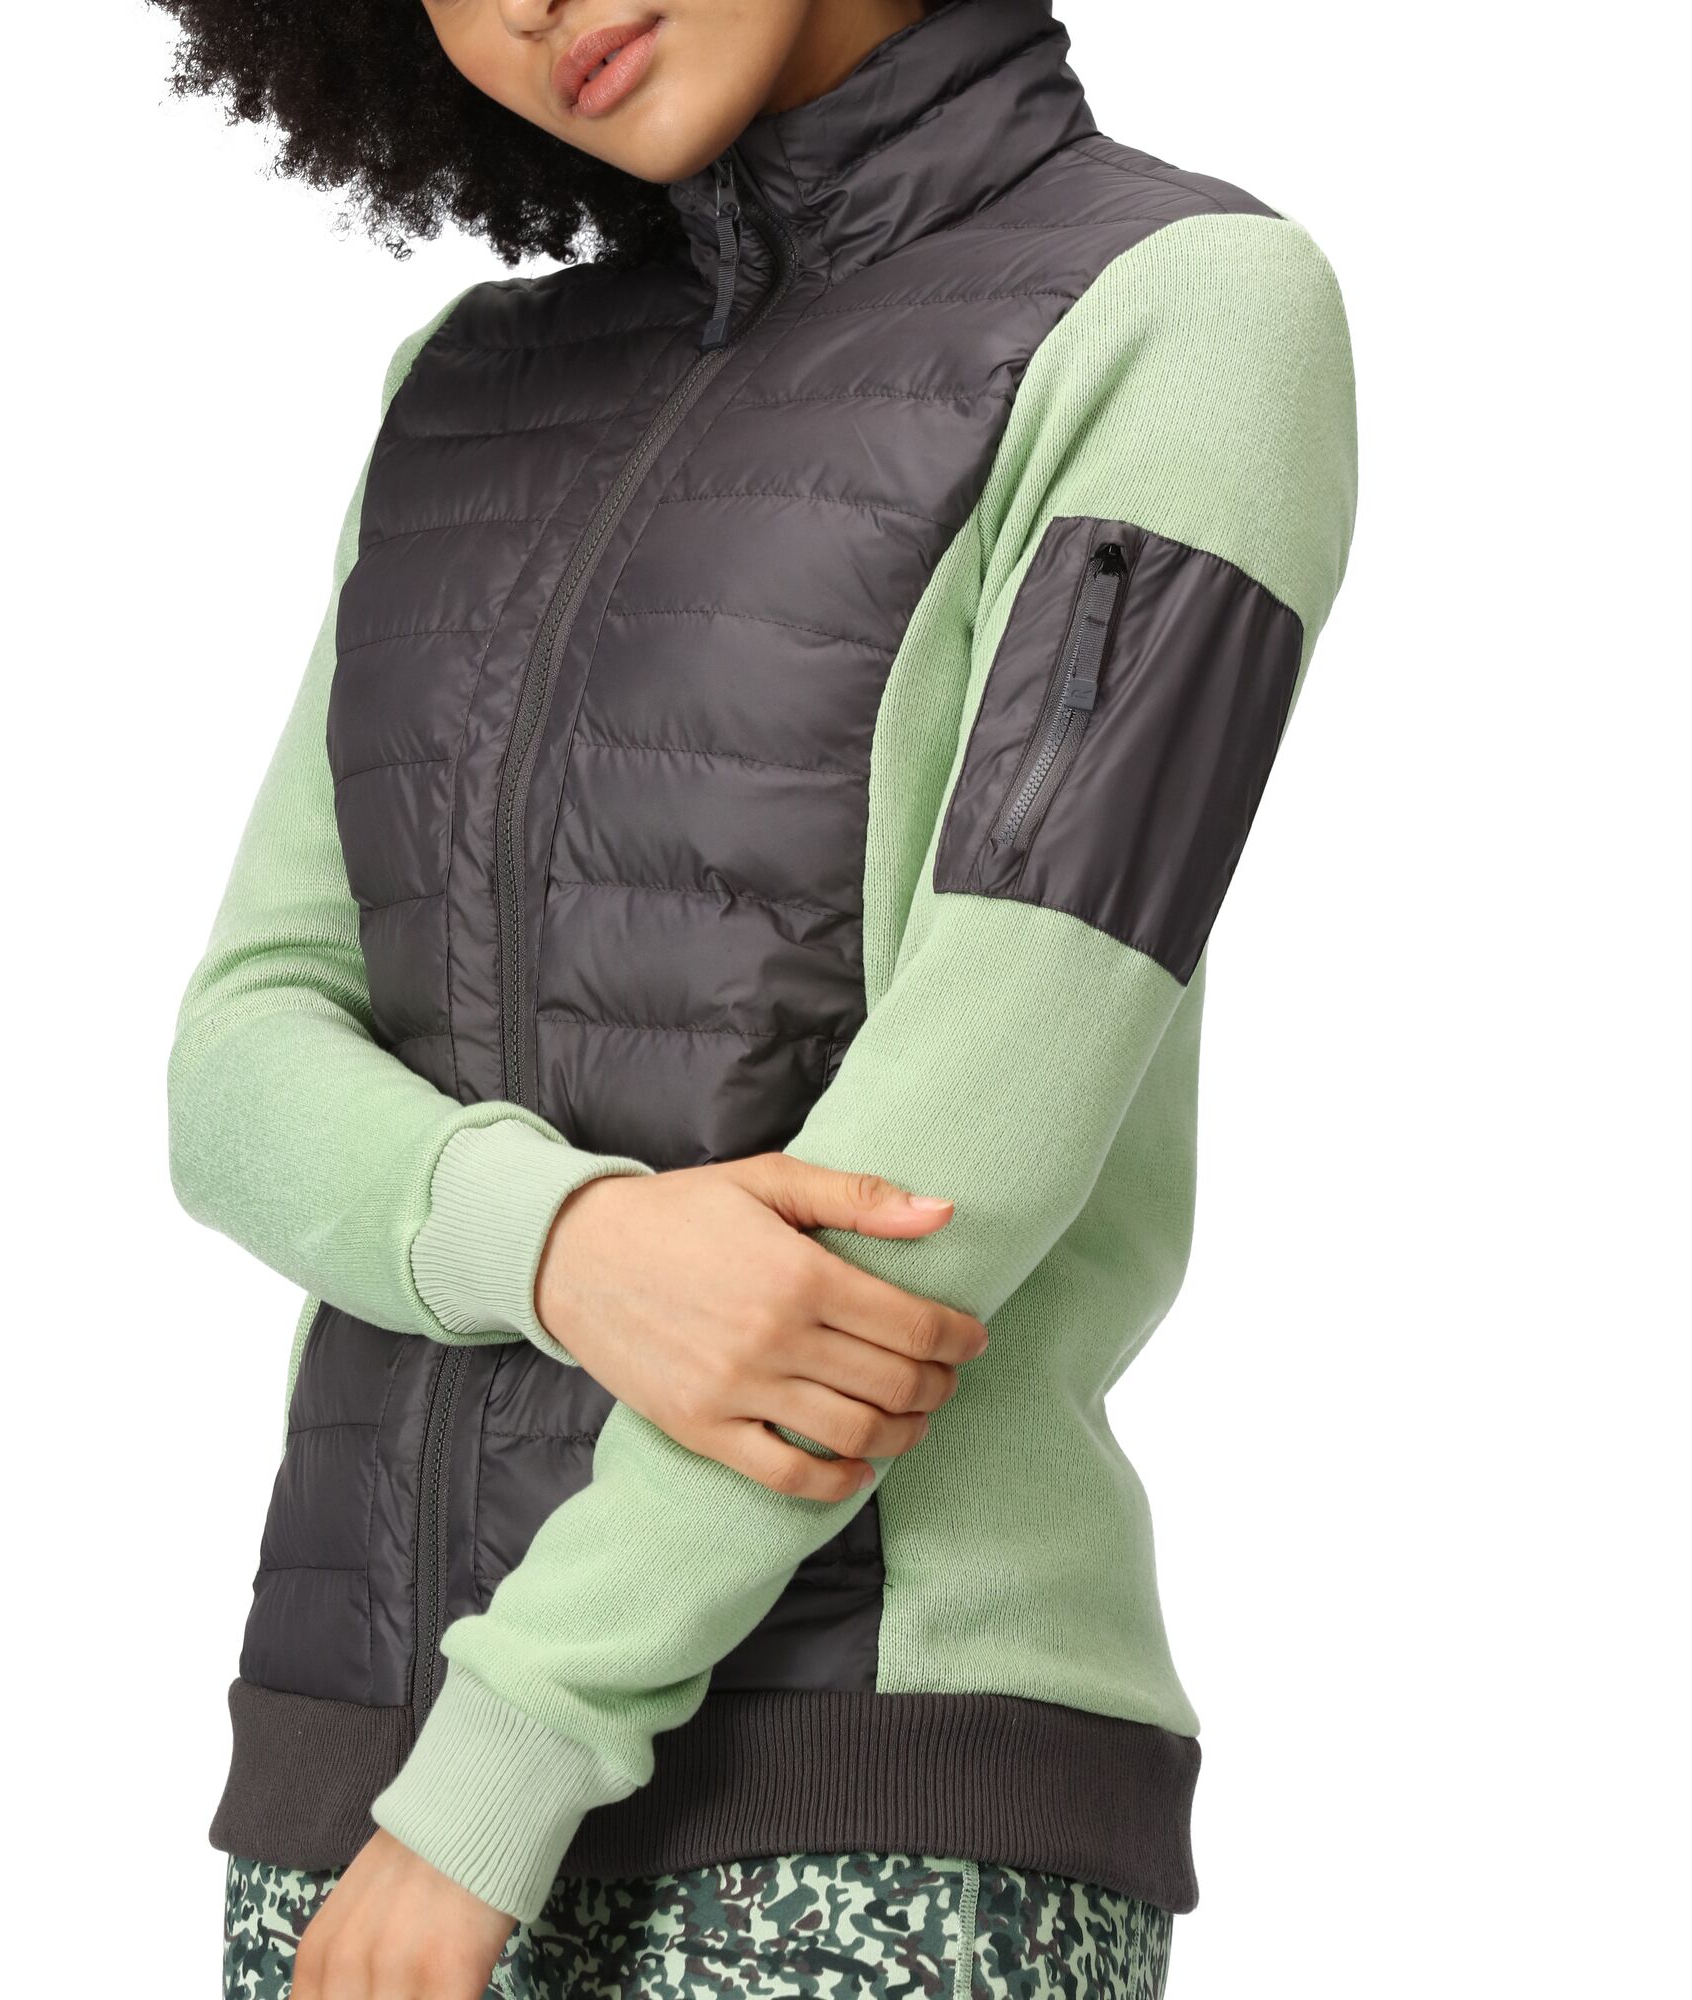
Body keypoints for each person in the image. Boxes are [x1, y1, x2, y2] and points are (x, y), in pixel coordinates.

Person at [155, 0, 1358, 1993]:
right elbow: (237, 1065)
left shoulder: (1181, 310)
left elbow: (950, 1166)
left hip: (866, 1802)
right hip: (346, 1790)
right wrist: (567, 1247)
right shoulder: (464, 391)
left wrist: (503, 1762)